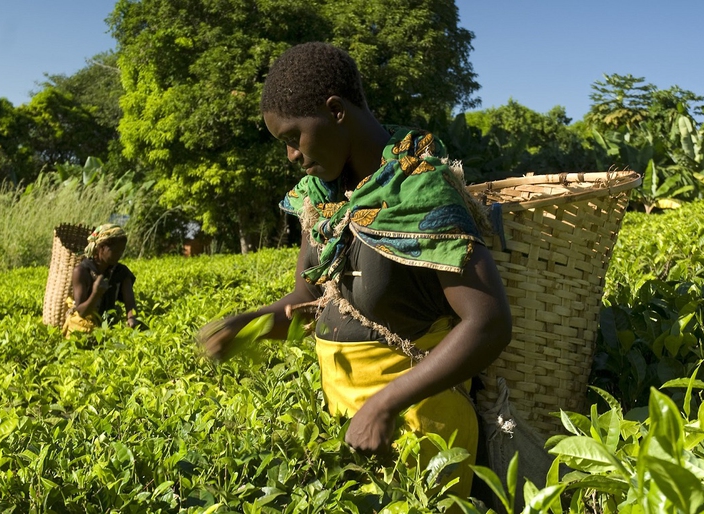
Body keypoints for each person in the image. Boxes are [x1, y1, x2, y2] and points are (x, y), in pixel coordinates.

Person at [197, 42, 512, 499]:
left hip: (421, 427)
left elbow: (489, 322)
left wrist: (386, 403)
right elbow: (306, 302)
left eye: (293, 137)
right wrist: (249, 324)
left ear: (335, 111)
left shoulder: (421, 190)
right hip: (349, 422)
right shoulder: (322, 199)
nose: (291, 156)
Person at [62, 223, 140, 338]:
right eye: (115, 251)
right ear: (101, 248)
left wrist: (131, 318)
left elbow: (130, 304)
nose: (119, 255)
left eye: (121, 251)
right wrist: (96, 293)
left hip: (109, 326)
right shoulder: (82, 271)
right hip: (84, 328)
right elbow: (82, 312)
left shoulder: (121, 272)